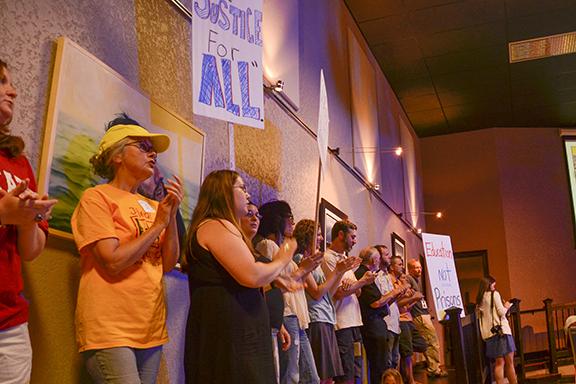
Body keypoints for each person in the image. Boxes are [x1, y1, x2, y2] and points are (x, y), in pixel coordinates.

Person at [71, 114, 183, 383]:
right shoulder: (96, 197)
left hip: (150, 328)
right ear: (116, 155)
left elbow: (167, 264)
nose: (152, 153)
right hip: (109, 328)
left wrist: (172, 215)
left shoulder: (153, 206)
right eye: (143, 147)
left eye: (152, 149)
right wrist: (158, 225)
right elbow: (111, 261)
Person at [184, 170, 296, 383]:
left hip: (240, 329)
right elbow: (252, 276)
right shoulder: (215, 225)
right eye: (242, 188)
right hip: (227, 333)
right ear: (223, 192)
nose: (247, 193)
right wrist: (283, 257)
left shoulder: (225, 228)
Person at [0, 59, 58, 383]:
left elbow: (31, 252)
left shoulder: (18, 162)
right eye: (3, 82)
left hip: (10, 323)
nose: (14, 91)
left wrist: (27, 220)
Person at [256, 200, 321, 384]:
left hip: (296, 317)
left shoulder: (283, 248)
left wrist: (306, 268)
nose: (293, 222)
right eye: (290, 217)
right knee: (291, 375)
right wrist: (303, 269)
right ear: (278, 219)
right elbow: (274, 281)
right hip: (287, 314)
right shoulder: (269, 245)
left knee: (308, 377)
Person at [293, 219, 360, 384]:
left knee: (329, 377)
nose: (321, 238)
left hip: (327, 317)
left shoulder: (313, 260)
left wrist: (340, 272)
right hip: (316, 318)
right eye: (318, 235)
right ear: (306, 236)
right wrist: (338, 271)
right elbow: (316, 293)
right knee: (323, 376)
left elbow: (328, 293)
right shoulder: (301, 258)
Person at [241, 201, 292, 383]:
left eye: (257, 215)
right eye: (249, 214)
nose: (255, 219)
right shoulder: (242, 250)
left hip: (270, 322)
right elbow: (258, 283)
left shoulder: (254, 250)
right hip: (253, 325)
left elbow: (266, 290)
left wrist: (280, 325)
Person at [323, 220, 375, 384]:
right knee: (346, 373)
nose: (355, 241)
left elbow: (356, 292)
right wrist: (362, 282)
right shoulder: (328, 258)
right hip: (342, 324)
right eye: (352, 237)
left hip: (354, 322)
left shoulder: (345, 259)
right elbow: (338, 293)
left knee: (357, 369)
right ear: (340, 235)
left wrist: (355, 286)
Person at [406, 259, 448, 377]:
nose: (419, 270)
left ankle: (434, 367)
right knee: (431, 341)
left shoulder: (417, 281)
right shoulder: (408, 279)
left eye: (420, 267)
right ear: (410, 269)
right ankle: (434, 369)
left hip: (423, 313)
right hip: (419, 315)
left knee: (431, 340)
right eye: (416, 267)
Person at [355, 247, 390, 384]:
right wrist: (396, 291)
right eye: (379, 258)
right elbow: (375, 303)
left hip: (375, 324)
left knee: (380, 364)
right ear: (374, 260)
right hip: (372, 325)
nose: (380, 261)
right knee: (379, 365)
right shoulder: (364, 274)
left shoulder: (368, 274)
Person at [389, 256, 427, 384]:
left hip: (408, 318)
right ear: (392, 267)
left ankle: (406, 377)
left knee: (421, 344)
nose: (402, 267)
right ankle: (409, 380)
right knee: (407, 352)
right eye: (399, 264)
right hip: (400, 320)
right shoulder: (390, 281)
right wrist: (412, 298)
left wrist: (414, 298)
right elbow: (396, 304)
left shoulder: (402, 282)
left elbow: (405, 306)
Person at [476, 276, 518, 384]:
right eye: (493, 284)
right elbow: (501, 312)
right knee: (509, 363)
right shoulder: (494, 294)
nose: (494, 287)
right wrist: (507, 306)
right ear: (489, 284)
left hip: (490, 335)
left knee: (499, 363)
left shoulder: (480, 299)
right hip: (501, 332)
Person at [374, 245, 406, 371]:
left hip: (394, 323)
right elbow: (380, 301)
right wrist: (397, 291)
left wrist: (400, 293)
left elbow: (390, 301)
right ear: (379, 257)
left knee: (394, 360)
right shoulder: (376, 276)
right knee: (387, 363)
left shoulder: (386, 276)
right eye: (386, 254)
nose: (389, 257)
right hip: (386, 324)